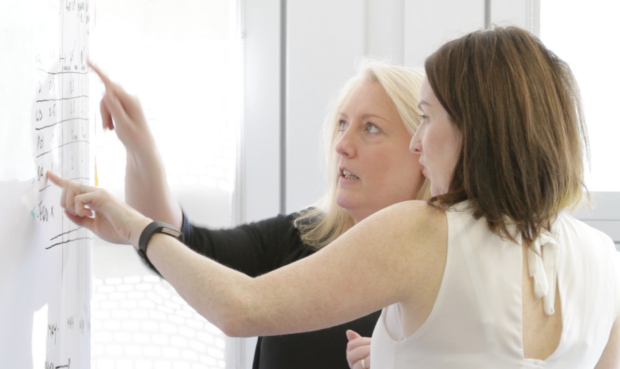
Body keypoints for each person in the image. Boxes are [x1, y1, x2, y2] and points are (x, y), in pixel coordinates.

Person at [48, 26, 620, 368]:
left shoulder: (423, 230)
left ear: (477, 127)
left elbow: (239, 307)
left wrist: (133, 228)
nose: (422, 142)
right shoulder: (604, 259)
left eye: (425, 119)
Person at [87, 59, 429, 369]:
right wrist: (139, 148)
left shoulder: (447, 263)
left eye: (370, 128)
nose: (341, 144)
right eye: (342, 123)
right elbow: (185, 247)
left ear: (422, 148)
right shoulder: (306, 233)